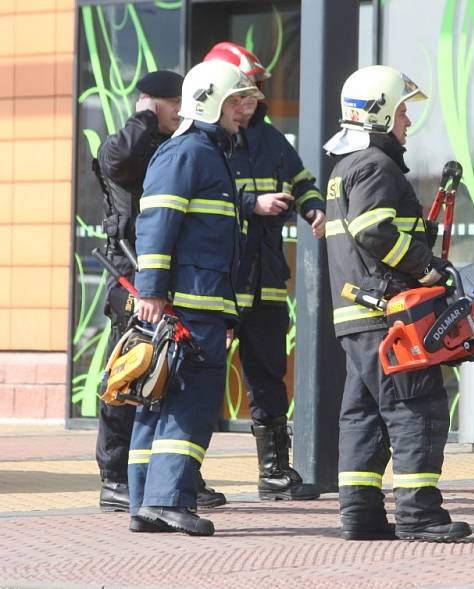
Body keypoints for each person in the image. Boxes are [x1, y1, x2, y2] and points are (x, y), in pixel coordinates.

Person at [323, 65, 471, 542]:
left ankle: (361, 516)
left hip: (359, 319)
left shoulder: (347, 166)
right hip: (388, 316)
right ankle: (419, 515)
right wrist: (426, 266)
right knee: (418, 408)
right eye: (403, 111)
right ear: (381, 113)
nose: (408, 122)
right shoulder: (374, 164)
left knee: (363, 415)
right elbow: (373, 231)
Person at [127, 60, 263, 536]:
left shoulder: (204, 152)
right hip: (189, 304)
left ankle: (146, 502)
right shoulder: (190, 153)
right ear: (209, 102)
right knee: (188, 403)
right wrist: (152, 292)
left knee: (158, 398)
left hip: (195, 302)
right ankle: (167, 500)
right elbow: (157, 226)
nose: (242, 110)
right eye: (235, 101)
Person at [94, 70, 225, 512]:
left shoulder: (176, 148)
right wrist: (145, 118)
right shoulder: (128, 144)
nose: (180, 112)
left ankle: (173, 482)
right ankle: (114, 478)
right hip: (134, 280)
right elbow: (119, 161)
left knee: (165, 383)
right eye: (171, 104)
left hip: (159, 279)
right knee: (130, 376)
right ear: (151, 103)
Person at [203, 42, 325, 501]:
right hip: (219, 282)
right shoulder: (204, 140)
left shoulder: (272, 140)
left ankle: (274, 473)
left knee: (269, 374)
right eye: (242, 90)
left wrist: (312, 209)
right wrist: (251, 205)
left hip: (266, 281)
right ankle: (184, 476)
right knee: (201, 379)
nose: (251, 98)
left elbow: (302, 182)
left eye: (254, 90)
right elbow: (200, 200)